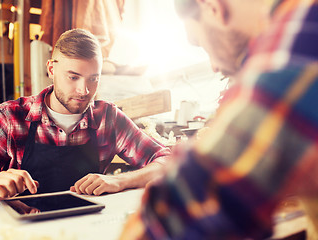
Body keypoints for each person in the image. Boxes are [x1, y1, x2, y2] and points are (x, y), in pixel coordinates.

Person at [120, 0, 318, 239]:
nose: (213, 66)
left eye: (200, 43)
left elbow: (180, 217)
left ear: (212, 7)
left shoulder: (301, 33)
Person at [0, 28, 171, 206]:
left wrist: (120, 181)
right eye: (73, 77)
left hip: (88, 230)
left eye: (93, 79)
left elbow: (167, 161)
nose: (84, 90)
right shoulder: (10, 117)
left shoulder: (108, 117)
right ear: (51, 68)